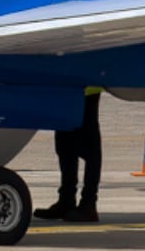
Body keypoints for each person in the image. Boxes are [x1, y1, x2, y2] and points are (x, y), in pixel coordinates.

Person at [36, 87, 101, 222]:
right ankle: (66, 200)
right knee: (64, 144)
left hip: (86, 86)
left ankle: (89, 203)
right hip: (65, 86)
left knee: (89, 147)